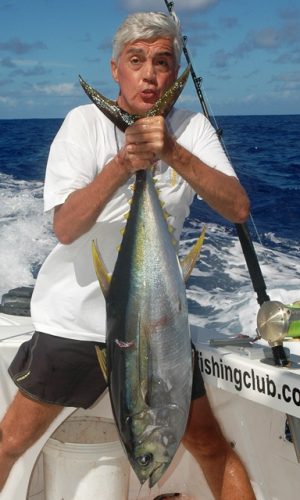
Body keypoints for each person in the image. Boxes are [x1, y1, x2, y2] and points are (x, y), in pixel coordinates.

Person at [0, 11, 255, 499]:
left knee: (207, 443)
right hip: (75, 321)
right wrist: (125, 162)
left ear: (174, 69)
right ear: (115, 69)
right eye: (136, 60)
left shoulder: (192, 128)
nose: (150, 73)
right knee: (11, 439)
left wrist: (172, 151)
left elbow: (238, 207)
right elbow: (65, 227)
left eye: (162, 61)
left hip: (159, 325)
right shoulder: (83, 124)